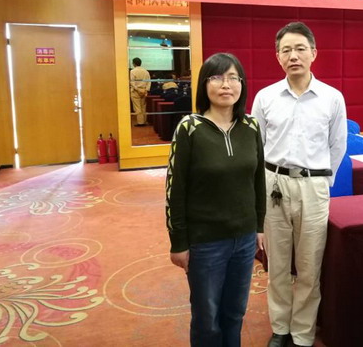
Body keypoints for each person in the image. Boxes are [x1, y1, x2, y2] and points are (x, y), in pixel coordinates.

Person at [252, 22, 347, 347]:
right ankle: (280, 328)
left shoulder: (332, 98)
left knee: (309, 265)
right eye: (286, 50)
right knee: (277, 263)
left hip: (313, 187)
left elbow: (338, 145)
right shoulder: (265, 97)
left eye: (300, 49)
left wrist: (321, 181)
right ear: (278, 56)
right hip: (273, 184)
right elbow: (256, 146)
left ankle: (302, 334)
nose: (293, 56)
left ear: (313, 53)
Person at [166, 52, 266, 347]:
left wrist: (259, 226)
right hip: (205, 241)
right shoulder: (190, 128)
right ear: (204, 85)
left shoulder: (251, 126)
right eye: (217, 77)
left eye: (234, 78)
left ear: (242, 84)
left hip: (244, 239)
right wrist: (178, 241)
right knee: (207, 318)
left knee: (235, 312)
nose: (226, 85)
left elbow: (258, 181)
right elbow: (175, 189)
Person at [129, 57, 151, 126]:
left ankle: (140, 122)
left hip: (136, 91)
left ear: (134, 63)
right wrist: (146, 90)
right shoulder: (146, 71)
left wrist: (138, 90)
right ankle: (144, 121)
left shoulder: (132, 71)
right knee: (143, 106)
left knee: (137, 107)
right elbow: (149, 82)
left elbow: (132, 82)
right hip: (144, 90)